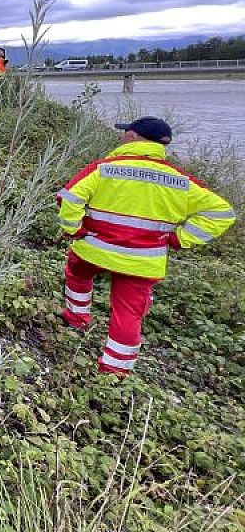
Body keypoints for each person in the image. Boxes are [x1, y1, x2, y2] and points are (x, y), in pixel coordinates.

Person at [56, 117, 236, 376]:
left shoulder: (105, 169)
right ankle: (114, 373)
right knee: (128, 313)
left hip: (95, 247)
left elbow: (69, 197)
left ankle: (77, 318)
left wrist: (74, 229)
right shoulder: (181, 181)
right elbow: (223, 214)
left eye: (125, 132)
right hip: (142, 260)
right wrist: (180, 238)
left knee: (78, 272)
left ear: (132, 137)